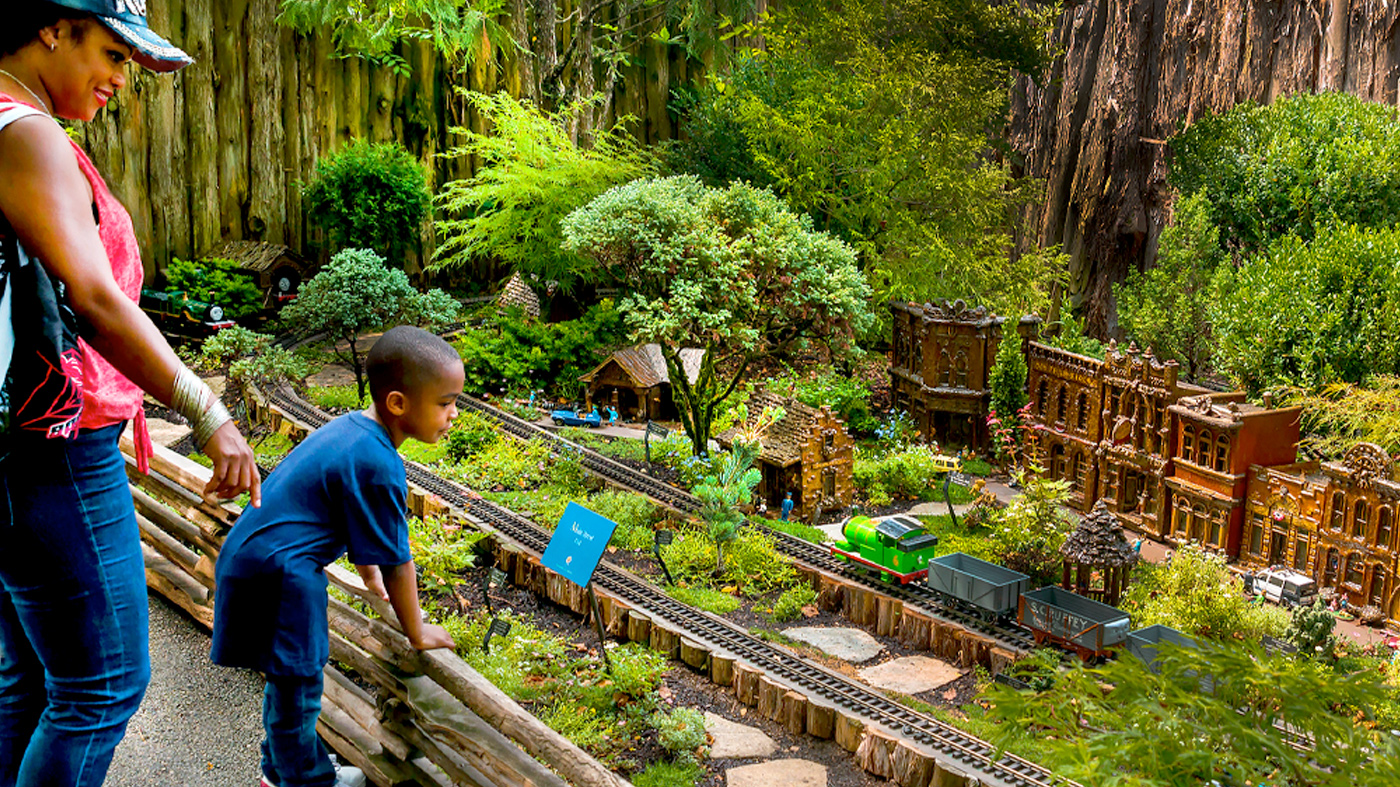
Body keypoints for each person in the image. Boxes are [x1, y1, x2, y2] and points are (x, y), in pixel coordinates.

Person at [0, 4, 261, 785]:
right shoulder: (28, 133)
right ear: (52, 27)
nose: (120, 79)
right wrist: (206, 408)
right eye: (112, 53)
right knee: (101, 685)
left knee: (31, 677)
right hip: (55, 452)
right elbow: (97, 296)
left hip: (13, 449)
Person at [212, 326, 461, 787]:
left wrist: (367, 579)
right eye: (445, 403)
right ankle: (304, 781)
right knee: (299, 688)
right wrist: (416, 630)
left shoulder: (354, 429)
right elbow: (398, 560)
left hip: (257, 561)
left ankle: (280, 772)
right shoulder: (379, 463)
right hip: (281, 576)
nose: (453, 414)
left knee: (287, 681)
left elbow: (351, 517)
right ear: (399, 404)